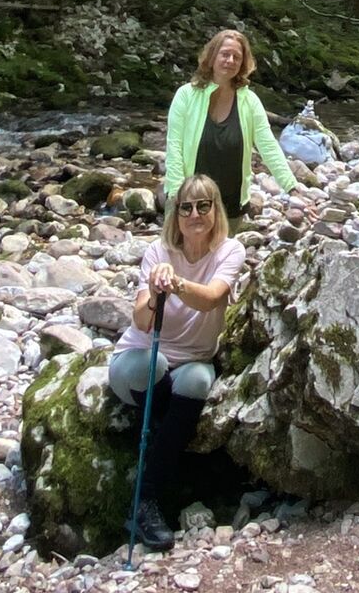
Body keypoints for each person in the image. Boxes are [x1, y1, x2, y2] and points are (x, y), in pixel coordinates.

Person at [108, 175, 246, 549]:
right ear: (176, 215)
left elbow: (212, 297)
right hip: (140, 362)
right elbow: (141, 321)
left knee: (199, 380)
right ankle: (155, 477)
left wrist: (178, 285)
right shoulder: (158, 252)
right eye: (186, 207)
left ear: (216, 210)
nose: (195, 214)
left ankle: (144, 501)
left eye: (203, 205)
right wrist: (155, 292)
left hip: (191, 362)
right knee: (153, 368)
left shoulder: (230, 251)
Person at [165, 29, 308, 229]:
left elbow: (268, 146)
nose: (230, 60)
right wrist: (177, 194)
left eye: (237, 57)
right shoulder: (186, 95)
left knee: (225, 251)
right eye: (225, 54)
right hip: (190, 204)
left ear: (243, 63)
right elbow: (174, 147)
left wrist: (291, 187)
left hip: (231, 205)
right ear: (212, 57)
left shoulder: (250, 101)